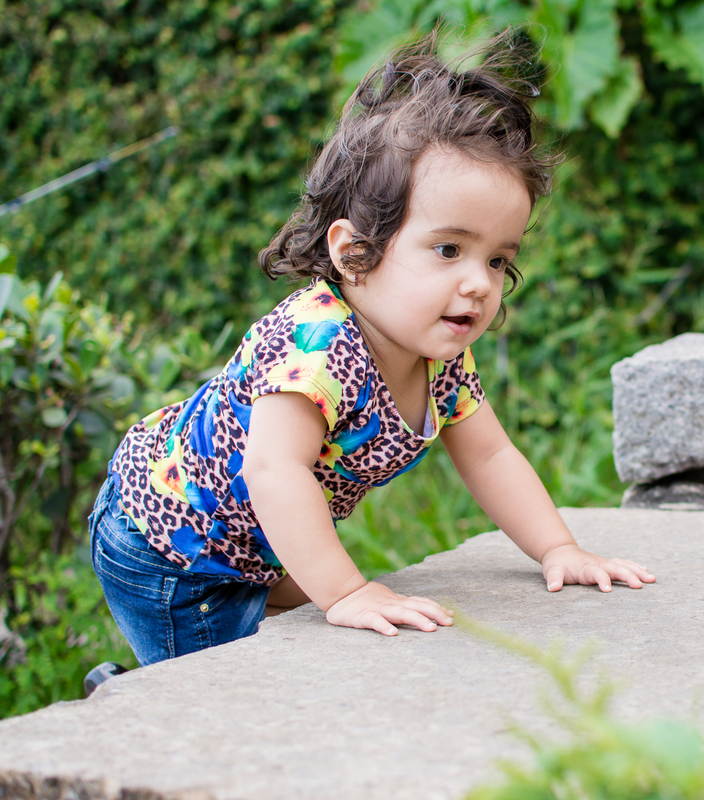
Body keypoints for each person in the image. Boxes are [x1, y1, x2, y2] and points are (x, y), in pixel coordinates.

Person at [86, 37, 655, 671]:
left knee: (321, 635)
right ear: (355, 253)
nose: (478, 283)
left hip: (251, 542)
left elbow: (491, 453)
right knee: (217, 676)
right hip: (168, 545)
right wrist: (347, 593)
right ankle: (126, 697)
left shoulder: (438, 360)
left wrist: (558, 549)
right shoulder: (316, 346)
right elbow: (275, 472)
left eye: (498, 259)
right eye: (448, 250)